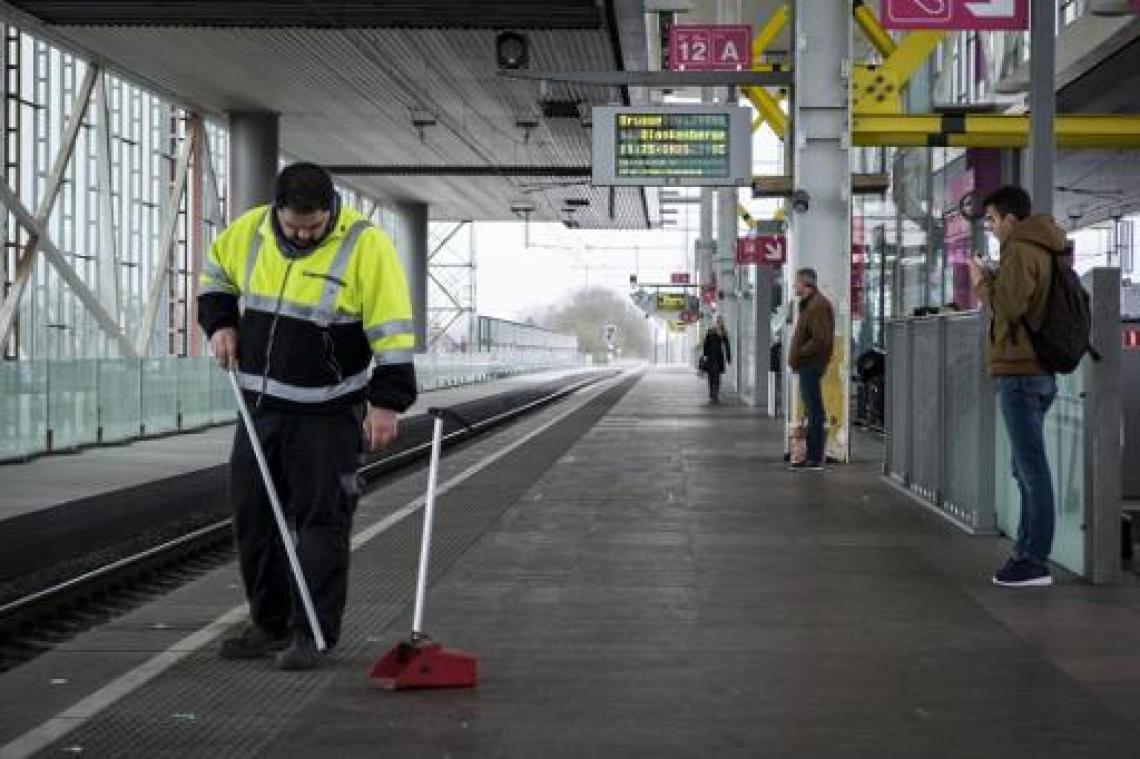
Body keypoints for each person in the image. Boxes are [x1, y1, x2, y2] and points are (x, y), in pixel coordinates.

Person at [197, 163, 418, 668]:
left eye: (313, 226)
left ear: (330, 212)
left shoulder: (366, 245)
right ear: (277, 210)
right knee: (255, 519)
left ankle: (312, 634)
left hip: (327, 413)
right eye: (294, 225)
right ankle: (268, 627)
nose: (302, 234)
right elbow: (215, 279)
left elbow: (394, 329)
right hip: (258, 408)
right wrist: (220, 323)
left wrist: (386, 403)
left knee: (321, 525)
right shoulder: (248, 230)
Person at [968, 185, 1065, 588]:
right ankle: (1026, 552)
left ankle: (1035, 560)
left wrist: (980, 283)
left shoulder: (1022, 251)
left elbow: (1008, 309)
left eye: (991, 219)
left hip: (1021, 373)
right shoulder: (1039, 249)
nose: (989, 227)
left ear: (1011, 219)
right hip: (1034, 372)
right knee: (1024, 467)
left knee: (1031, 469)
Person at [787, 268, 834, 471]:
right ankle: (812, 455)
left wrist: (800, 354)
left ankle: (814, 458)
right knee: (812, 409)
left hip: (811, 364)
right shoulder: (810, 305)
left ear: (807, 284)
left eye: (796, 282)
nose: (794, 286)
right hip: (808, 364)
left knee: (815, 411)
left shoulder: (818, 306)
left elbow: (820, 339)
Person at [701, 315, 731, 403]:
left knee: (717, 375)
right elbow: (706, 344)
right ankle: (711, 391)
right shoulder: (710, 331)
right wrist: (704, 355)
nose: (719, 322)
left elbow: (727, 345)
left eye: (720, 321)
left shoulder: (723, 332)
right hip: (710, 356)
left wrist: (729, 357)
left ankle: (716, 392)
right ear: (715, 322)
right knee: (711, 375)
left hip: (719, 356)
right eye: (718, 321)